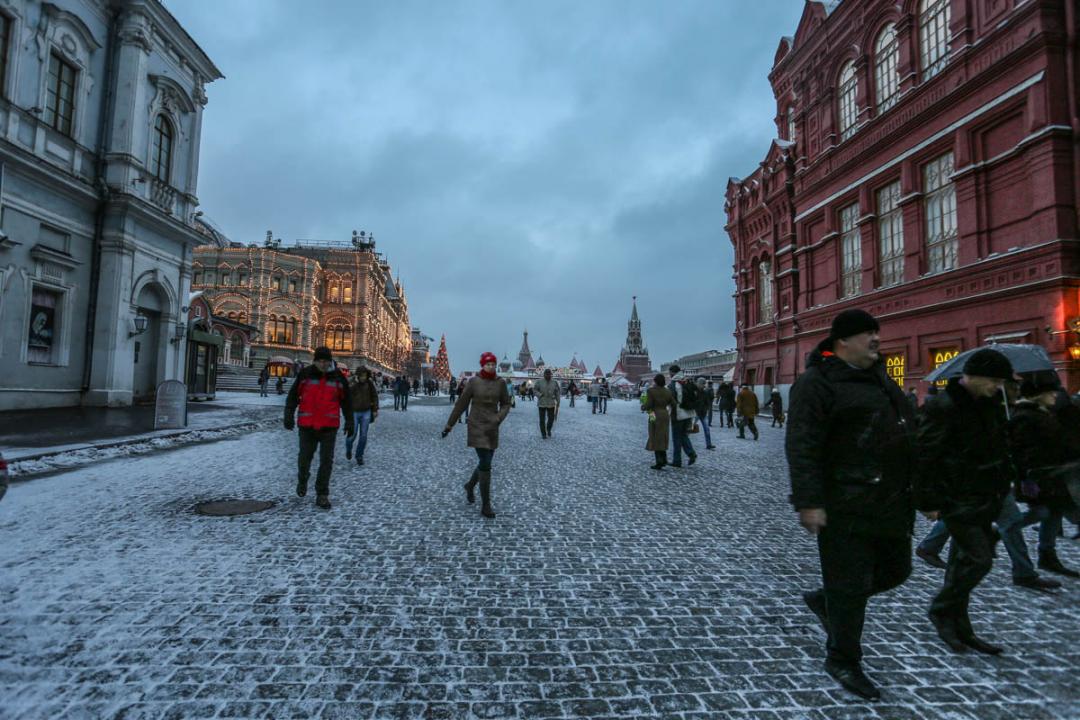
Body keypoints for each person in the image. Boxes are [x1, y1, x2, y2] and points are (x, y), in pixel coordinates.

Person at [787, 309, 917, 701]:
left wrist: (926, 492)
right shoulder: (816, 383)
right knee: (849, 585)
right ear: (843, 341)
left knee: (897, 570)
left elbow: (907, 427)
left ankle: (827, 600)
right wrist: (809, 501)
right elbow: (803, 445)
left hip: (890, 500)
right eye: (867, 334)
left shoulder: (880, 378)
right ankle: (843, 658)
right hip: (844, 502)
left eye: (877, 333)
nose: (876, 340)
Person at [916, 348, 1016, 656]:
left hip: (986, 495)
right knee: (979, 559)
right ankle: (941, 609)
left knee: (961, 565)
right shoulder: (943, 406)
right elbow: (924, 456)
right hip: (955, 496)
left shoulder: (992, 404)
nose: (997, 387)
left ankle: (960, 626)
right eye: (994, 381)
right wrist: (928, 501)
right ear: (972, 377)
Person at [1006, 371, 1080, 579]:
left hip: (1053, 474)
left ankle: (1048, 555)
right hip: (1037, 476)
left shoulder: (1044, 412)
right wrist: (1027, 477)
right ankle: (1003, 529)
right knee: (1042, 513)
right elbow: (1021, 451)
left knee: (1054, 512)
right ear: (1038, 394)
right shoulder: (1024, 416)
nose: (1055, 396)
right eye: (1051, 392)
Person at [443, 352, 512, 519]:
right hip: (477, 426)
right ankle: (486, 504)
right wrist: (449, 425)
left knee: (484, 462)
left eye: (493, 364)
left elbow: (506, 403)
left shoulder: (500, 383)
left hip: (492, 427)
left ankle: (470, 485)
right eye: (488, 364)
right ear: (482, 365)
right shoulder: (474, 382)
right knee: (486, 463)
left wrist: (498, 418)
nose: (491, 367)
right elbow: (461, 404)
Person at [284, 347, 354, 510]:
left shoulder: (338, 378)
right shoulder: (305, 374)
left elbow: (347, 402)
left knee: (326, 462)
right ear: (315, 361)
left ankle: (322, 494)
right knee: (304, 459)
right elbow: (293, 396)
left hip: (329, 426)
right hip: (307, 425)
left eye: (326, 361)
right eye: (320, 360)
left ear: (330, 361)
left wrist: (349, 421)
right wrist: (288, 415)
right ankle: (303, 479)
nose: (323, 364)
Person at [345, 366, 379, 466]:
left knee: (363, 435)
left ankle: (359, 455)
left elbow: (374, 396)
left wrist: (375, 409)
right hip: (354, 412)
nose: (363, 378)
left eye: (365, 375)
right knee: (352, 434)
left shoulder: (369, 384)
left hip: (366, 412)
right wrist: (354, 381)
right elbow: (347, 391)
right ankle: (348, 447)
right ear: (358, 375)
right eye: (361, 376)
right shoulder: (354, 384)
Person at [643, 373, 674, 470]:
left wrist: (643, 407)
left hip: (653, 414)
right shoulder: (667, 391)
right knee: (663, 436)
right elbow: (673, 403)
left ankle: (659, 461)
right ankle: (664, 459)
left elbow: (649, 405)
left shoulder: (651, 391)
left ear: (656, 381)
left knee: (655, 436)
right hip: (664, 414)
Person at [668, 365, 697, 467]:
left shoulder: (673, 383)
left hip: (678, 413)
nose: (669, 374)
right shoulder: (687, 381)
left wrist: (668, 413)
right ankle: (691, 453)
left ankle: (677, 461)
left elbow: (671, 401)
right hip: (689, 412)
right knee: (684, 435)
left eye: (670, 372)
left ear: (672, 372)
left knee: (676, 437)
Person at [534, 369, 561, 438]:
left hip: (551, 403)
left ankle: (548, 429)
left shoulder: (554, 382)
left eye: (549, 374)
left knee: (551, 419)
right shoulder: (539, 382)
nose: (548, 375)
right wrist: (539, 395)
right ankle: (543, 434)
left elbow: (557, 392)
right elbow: (534, 390)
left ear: (551, 375)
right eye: (546, 374)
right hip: (542, 403)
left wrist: (558, 401)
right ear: (544, 374)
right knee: (542, 420)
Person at [694, 377, 715, 450]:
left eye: (704, 384)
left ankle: (708, 444)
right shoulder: (694, 392)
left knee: (707, 429)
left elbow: (707, 402)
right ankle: (684, 443)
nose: (704, 385)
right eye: (703, 384)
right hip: (695, 413)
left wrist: (706, 409)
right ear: (699, 384)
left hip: (703, 413)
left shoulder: (705, 392)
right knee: (689, 429)